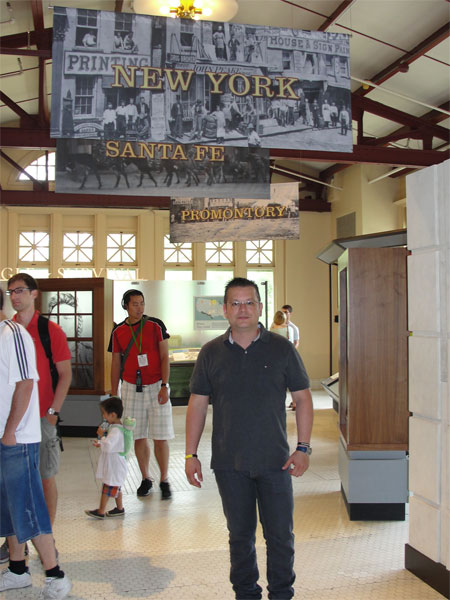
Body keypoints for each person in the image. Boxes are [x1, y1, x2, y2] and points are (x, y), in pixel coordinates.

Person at [185, 277, 313, 600]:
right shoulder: (211, 353)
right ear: (225, 309)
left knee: (280, 537)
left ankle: (281, 594)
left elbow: (303, 398)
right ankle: (246, 594)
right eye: (236, 303)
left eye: (249, 302)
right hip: (230, 464)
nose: (242, 309)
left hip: (276, 462)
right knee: (240, 537)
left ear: (259, 307)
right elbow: (197, 404)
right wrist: (190, 455)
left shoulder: (282, 348)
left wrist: (303, 447)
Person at [0, 288, 72, 598]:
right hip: (5, 437)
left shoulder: (12, 333)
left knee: (28, 506)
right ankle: (18, 569)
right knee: (9, 508)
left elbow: (26, 383)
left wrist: (10, 432)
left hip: (17, 438)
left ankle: (56, 576)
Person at [109, 289, 174, 499]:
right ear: (126, 306)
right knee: (138, 436)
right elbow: (115, 363)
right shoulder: (118, 331)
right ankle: (146, 478)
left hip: (156, 386)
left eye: (142, 303)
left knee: (161, 436)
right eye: (135, 304)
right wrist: (114, 393)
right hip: (130, 387)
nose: (139, 308)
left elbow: (165, 357)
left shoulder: (156, 325)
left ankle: (164, 479)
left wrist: (164, 385)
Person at [85, 396, 131, 519]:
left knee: (108, 488)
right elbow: (110, 444)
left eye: (104, 413)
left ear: (113, 415)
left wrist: (102, 437)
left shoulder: (116, 431)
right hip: (115, 464)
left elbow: (109, 445)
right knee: (116, 486)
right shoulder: (116, 428)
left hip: (114, 465)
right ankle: (119, 509)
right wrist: (101, 442)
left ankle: (100, 511)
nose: (103, 416)